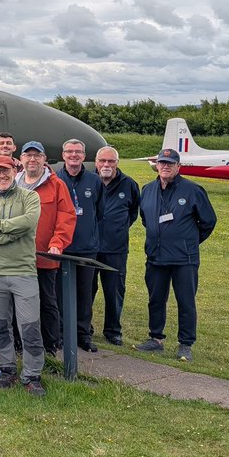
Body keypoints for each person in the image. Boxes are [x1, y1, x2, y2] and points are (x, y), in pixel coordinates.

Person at [0, 155, 46, 397]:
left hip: (23, 272)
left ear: (14, 170)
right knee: (1, 325)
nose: (1, 175)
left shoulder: (29, 197)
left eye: (5, 170)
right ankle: (7, 369)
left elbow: (28, 222)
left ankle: (32, 375)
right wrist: (11, 234)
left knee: (30, 326)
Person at [136, 149, 217, 362]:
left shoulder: (193, 190)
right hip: (156, 256)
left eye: (170, 163)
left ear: (178, 167)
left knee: (186, 301)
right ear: (157, 165)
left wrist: (189, 242)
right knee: (155, 299)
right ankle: (156, 339)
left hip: (184, 259)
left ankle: (185, 344)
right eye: (162, 163)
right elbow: (145, 218)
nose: (165, 166)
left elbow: (208, 221)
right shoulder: (148, 190)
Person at [16, 141, 76, 355]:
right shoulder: (13, 183)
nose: (32, 159)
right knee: (18, 301)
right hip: (16, 258)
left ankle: (50, 345)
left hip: (44, 257)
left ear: (44, 159)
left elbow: (66, 217)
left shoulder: (56, 185)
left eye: (37, 155)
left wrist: (57, 244)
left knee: (47, 301)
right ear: (21, 159)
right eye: (28, 155)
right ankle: (19, 343)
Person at [56, 138, 104, 353]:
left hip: (86, 248)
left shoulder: (95, 181)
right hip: (61, 248)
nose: (73, 155)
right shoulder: (56, 178)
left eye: (78, 151)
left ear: (84, 156)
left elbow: (100, 211)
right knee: (59, 294)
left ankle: (83, 334)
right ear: (63, 155)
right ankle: (60, 333)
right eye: (69, 151)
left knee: (85, 294)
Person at [95, 146, 140, 346]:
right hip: (90, 247)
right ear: (96, 162)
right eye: (103, 161)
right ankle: (83, 328)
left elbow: (133, 212)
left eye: (111, 161)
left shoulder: (129, 184)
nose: (106, 165)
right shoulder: (90, 181)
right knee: (86, 290)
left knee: (114, 291)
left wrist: (117, 229)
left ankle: (113, 330)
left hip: (116, 248)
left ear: (117, 163)